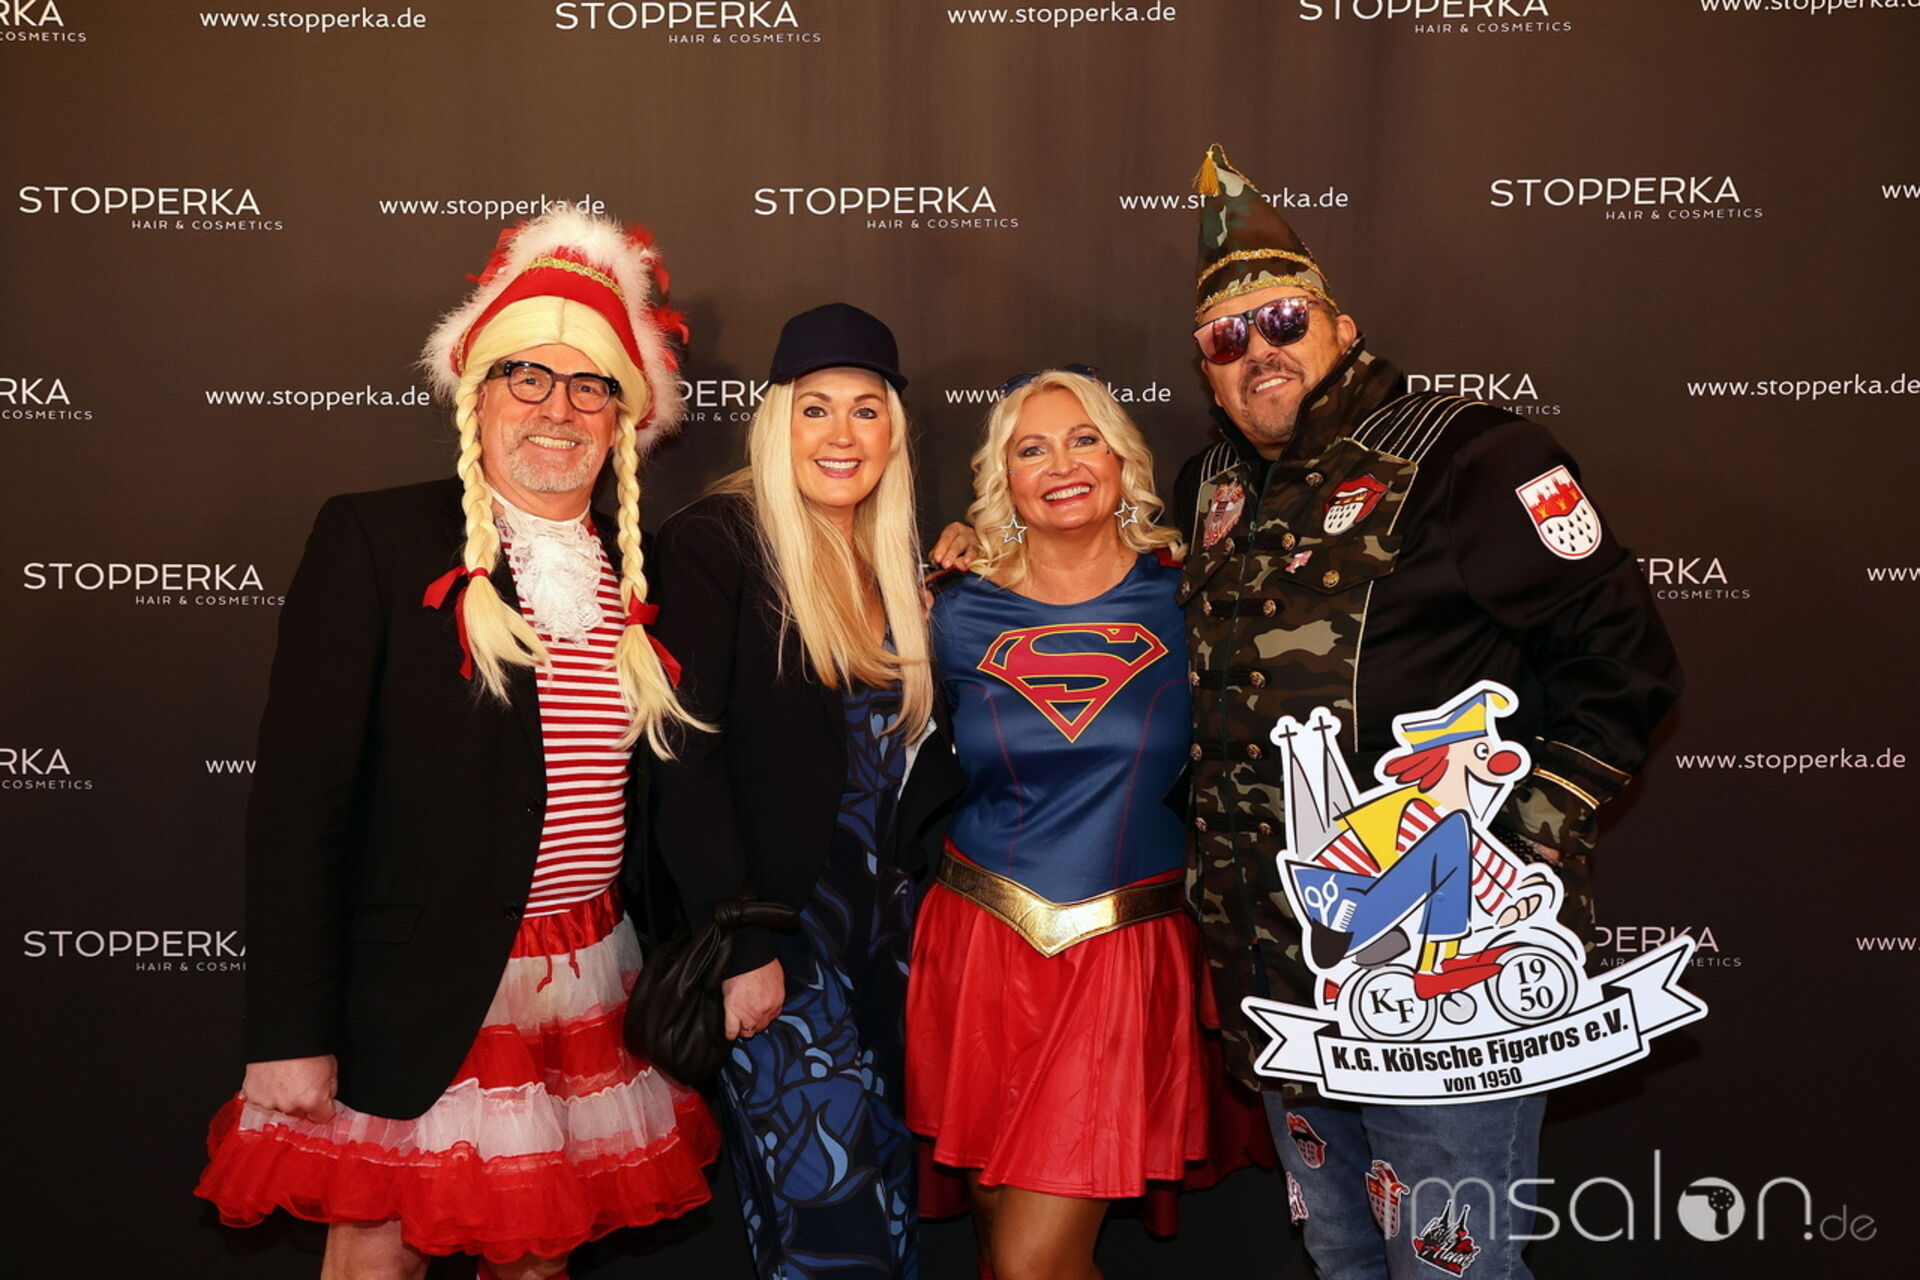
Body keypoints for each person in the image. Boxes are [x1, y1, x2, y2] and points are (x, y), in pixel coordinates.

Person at [1172, 145, 1682, 1279]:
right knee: (1345, 1255)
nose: (1258, 349)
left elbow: (1627, 659)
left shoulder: (1471, 455)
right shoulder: (1207, 490)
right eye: (1225, 337)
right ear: (1205, 371)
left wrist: (1525, 836)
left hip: (1449, 978)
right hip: (1279, 971)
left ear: (1342, 327)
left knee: (1456, 1270)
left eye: (1284, 319)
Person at [194, 209, 719, 1280]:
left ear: (625, 416)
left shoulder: (651, 571)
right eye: (528, 375)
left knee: (537, 1252)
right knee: (376, 1253)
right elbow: (298, 805)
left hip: (589, 976)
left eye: (590, 385)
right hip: (413, 985)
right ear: (476, 393)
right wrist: (289, 1029)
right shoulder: (376, 539)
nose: (558, 408)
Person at [648, 304, 962, 1280]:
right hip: (780, 945)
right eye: (815, 407)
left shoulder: (894, 560)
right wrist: (742, 943)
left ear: (893, 431)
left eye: (866, 410)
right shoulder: (716, 542)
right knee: (832, 1227)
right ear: (776, 420)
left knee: (892, 1212)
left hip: (890, 948)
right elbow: (681, 761)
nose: (841, 434)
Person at [908, 369, 1209, 1280]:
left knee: (1033, 1262)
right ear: (1004, 477)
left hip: (1121, 954)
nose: (1062, 464)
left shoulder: (1196, 598)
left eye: (1084, 439)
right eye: (1031, 449)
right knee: (999, 1239)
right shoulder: (950, 607)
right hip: (978, 944)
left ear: (1122, 458)